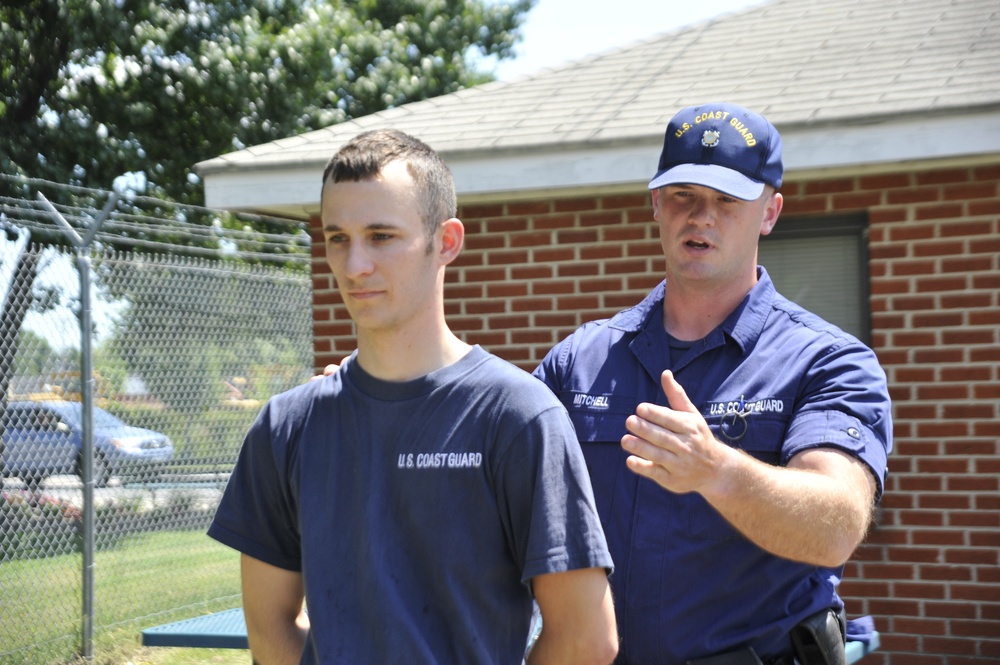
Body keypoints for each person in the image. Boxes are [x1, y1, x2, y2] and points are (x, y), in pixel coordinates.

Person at [209, 128, 618, 665]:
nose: (354, 266)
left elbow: (587, 638)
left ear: (446, 241)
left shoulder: (519, 417)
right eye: (338, 238)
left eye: (381, 236)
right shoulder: (286, 427)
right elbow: (269, 630)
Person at [532, 103, 892, 664]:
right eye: (683, 196)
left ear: (769, 212)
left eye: (727, 200)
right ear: (656, 204)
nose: (701, 216)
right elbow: (489, 475)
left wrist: (717, 471)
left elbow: (835, 526)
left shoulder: (826, 361)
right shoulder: (579, 360)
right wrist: (373, 394)